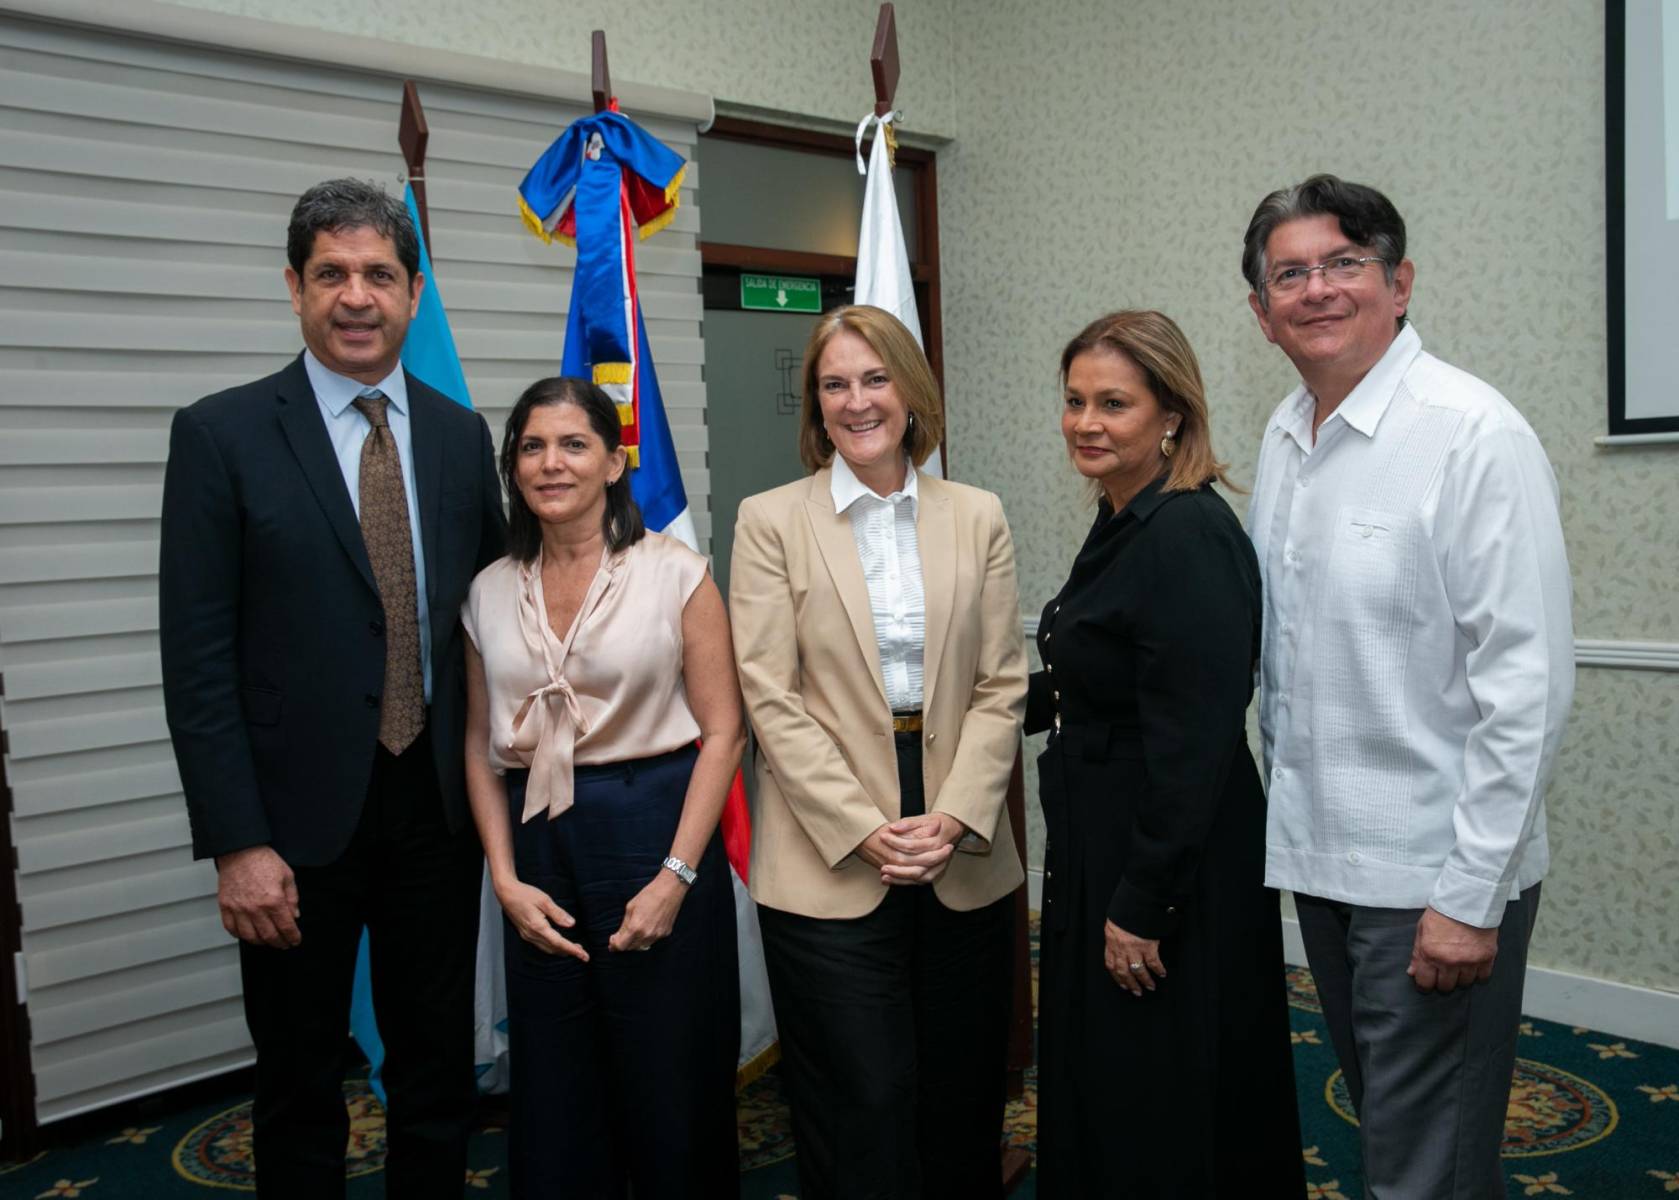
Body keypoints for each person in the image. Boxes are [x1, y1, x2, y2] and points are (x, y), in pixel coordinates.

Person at [158, 178, 506, 1198]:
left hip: (435, 815)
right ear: (294, 287)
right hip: (290, 829)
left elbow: (488, 618)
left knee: (436, 1069)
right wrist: (236, 842)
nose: (356, 297)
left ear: (412, 293)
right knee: (300, 1080)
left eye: (379, 276)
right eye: (332, 274)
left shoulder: (455, 433)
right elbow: (196, 656)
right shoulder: (220, 435)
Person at [1243, 174, 1575, 1197]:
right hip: (1322, 861)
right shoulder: (1281, 435)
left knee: (1419, 1161)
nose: (1315, 290)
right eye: (1288, 273)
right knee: (1393, 1128)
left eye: (1342, 263)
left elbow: (1524, 686)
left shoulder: (1473, 434)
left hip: (1433, 877)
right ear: (1258, 311)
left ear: (1399, 283)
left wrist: (1469, 898)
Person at [730, 305, 1026, 1200]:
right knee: (860, 1090)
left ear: (910, 390)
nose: (856, 401)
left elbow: (1001, 683)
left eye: (874, 378)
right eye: (834, 385)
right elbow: (768, 696)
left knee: (960, 1087)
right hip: (827, 837)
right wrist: (864, 827)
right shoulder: (769, 519)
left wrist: (958, 811)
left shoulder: (976, 515)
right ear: (814, 407)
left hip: (958, 832)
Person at [1028, 310, 1305, 1198]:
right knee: (1116, 1071)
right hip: (1111, 830)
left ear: (1172, 415)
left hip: (1167, 853)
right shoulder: (1122, 517)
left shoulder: (1186, 534)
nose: (1086, 422)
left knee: (1164, 1083)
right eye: (1074, 401)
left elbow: (1194, 742)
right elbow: (1115, 668)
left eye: (1114, 402)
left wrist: (1143, 903)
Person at [461, 377, 743, 1199]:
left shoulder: (675, 573)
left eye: (574, 444)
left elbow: (724, 732)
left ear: (615, 461)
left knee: (668, 1079)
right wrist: (505, 881)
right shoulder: (484, 591)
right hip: (538, 845)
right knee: (554, 1087)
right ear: (513, 468)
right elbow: (481, 753)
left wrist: (675, 878)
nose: (552, 463)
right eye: (532, 447)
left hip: (656, 829)